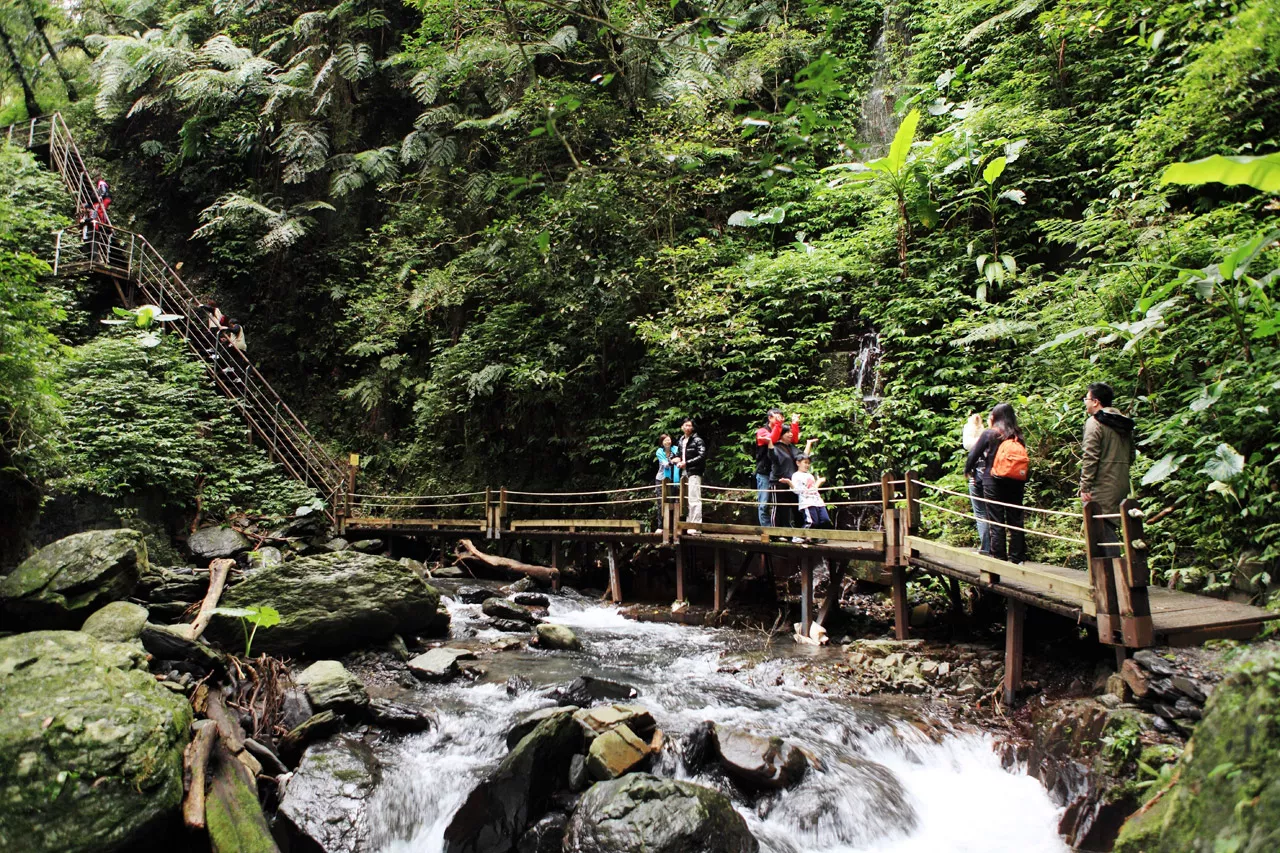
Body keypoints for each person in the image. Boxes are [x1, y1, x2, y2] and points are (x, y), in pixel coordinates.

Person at [966, 403, 1028, 563]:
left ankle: (999, 557)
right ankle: (1017, 557)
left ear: (995, 417)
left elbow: (974, 454)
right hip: (1015, 481)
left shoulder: (991, 433)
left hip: (992, 480)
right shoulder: (1017, 435)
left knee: (996, 519)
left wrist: (968, 470)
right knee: (1015, 518)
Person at [1079, 382, 1136, 555]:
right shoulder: (1122, 422)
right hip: (1121, 481)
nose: (1085, 403)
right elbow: (1131, 455)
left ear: (1095, 401)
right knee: (1114, 525)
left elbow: (1090, 457)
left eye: (1086, 399)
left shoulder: (1095, 423)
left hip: (1102, 484)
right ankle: (1114, 573)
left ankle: (1113, 575)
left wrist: (1085, 486)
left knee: (1103, 528)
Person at [755, 409, 799, 526]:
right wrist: (779, 425)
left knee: (781, 504)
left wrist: (794, 424)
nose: (780, 419)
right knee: (764, 503)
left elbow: (793, 439)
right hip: (765, 471)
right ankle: (767, 530)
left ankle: (782, 529)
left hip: (778, 472)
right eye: (777, 417)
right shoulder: (762, 431)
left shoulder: (779, 429)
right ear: (770, 418)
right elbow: (772, 439)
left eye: (781, 417)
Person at [783, 453, 830, 542]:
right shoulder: (796, 475)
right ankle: (799, 536)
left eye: (808, 463)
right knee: (812, 522)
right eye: (805, 462)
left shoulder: (810, 475)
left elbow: (813, 489)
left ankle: (814, 537)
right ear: (798, 463)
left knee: (825, 519)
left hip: (817, 501)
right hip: (807, 502)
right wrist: (789, 482)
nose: (807, 465)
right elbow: (796, 490)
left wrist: (819, 482)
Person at [963, 412, 991, 554]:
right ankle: (996, 548)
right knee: (993, 513)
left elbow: (968, 449)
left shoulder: (973, 443)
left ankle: (986, 548)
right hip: (992, 480)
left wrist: (967, 471)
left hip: (977, 479)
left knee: (981, 514)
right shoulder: (990, 438)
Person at [769, 428, 801, 532]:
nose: (791, 434)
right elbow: (772, 456)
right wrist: (769, 442)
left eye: (791, 432)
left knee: (793, 507)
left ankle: (796, 532)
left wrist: (809, 444)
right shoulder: (776, 447)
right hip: (778, 481)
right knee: (779, 507)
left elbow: (802, 458)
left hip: (791, 482)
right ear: (781, 434)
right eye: (788, 432)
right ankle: (775, 533)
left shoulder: (792, 447)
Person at [677, 418, 706, 527]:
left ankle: (696, 526)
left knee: (694, 499)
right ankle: (689, 525)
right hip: (683, 473)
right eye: (686, 425)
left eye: (690, 426)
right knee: (687, 500)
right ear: (682, 427)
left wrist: (687, 463)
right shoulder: (681, 440)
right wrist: (676, 459)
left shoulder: (698, 440)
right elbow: (678, 454)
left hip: (694, 472)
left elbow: (702, 456)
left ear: (692, 428)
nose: (688, 427)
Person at [653, 433, 681, 526]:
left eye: (669, 439)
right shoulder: (659, 451)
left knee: (675, 502)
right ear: (662, 443)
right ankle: (661, 526)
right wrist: (673, 461)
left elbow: (680, 459)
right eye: (665, 440)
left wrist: (676, 460)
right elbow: (666, 465)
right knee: (661, 502)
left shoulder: (676, 449)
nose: (668, 442)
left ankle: (674, 526)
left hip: (675, 480)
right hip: (661, 479)